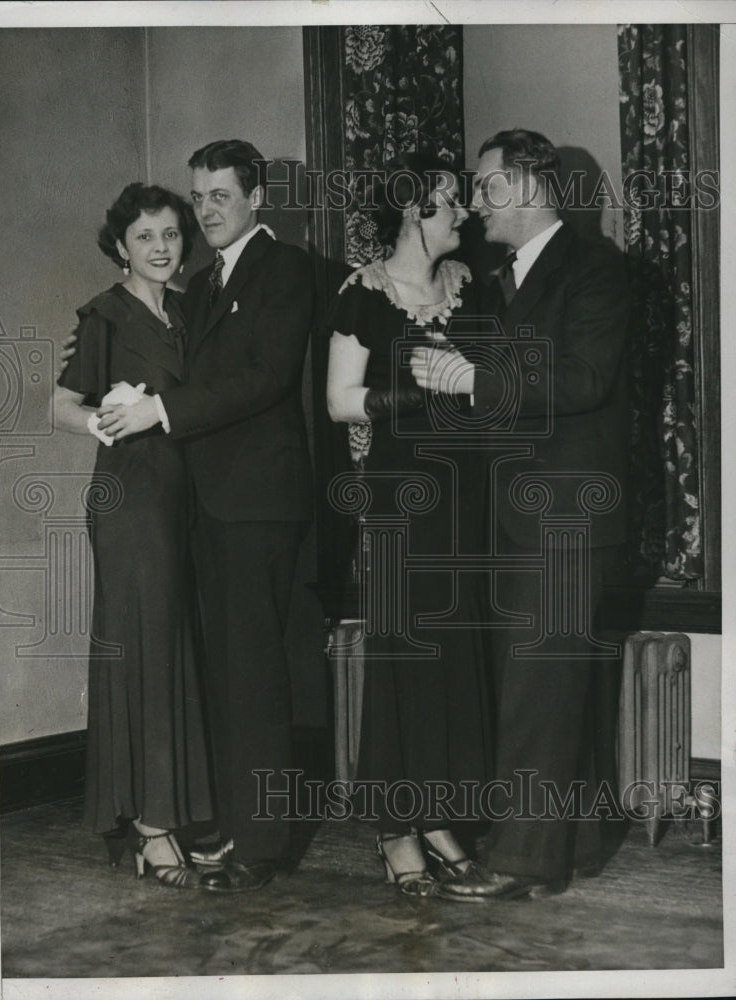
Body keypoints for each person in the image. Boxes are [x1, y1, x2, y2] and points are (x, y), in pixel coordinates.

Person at [411, 129, 630, 897]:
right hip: (525, 514)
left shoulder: (598, 269)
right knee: (555, 681)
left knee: (538, 688)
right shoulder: (505, 278)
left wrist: (474, 377)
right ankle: (581, 845)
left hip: (566, 514)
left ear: (529, 191)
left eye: (486, 186)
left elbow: (583, 380)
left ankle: (520, 863)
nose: (474, 202)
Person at [91, 140, 315, 891]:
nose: (206, 210)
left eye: (221, 195)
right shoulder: (204, 282)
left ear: (256, 197)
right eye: (201, 198)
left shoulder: (285, 269)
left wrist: (161, 408)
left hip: (258, 503)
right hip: (206, 505)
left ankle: (261, 845)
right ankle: (231, 827)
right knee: (222, 672)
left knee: (252, 674)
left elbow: (264, 378)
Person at [53, 183, 232, 892]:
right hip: (131, 499)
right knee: (146, 649)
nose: (161, 248)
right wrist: (107, 419)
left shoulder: (188, 310)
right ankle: (151, 828)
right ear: (120, 247)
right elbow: (60, 405)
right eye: (145, 238)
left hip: (185, 497)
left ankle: (175, 809)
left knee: (178, 648)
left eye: (169, 235)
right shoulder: (105, 315)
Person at [326, 153, 495, 900]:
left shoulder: (471, 287)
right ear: (413, 213)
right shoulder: (362, 293)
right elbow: (339, 401)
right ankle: (395, 826)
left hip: (469, 496)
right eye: (450, 202)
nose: (463, 213)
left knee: (455, 654)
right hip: (400, 497)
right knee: (405, 652)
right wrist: (413, 394)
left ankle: (436, 815)